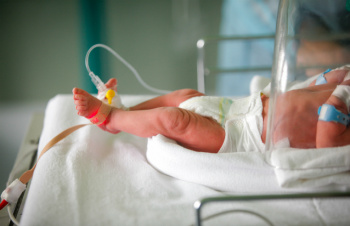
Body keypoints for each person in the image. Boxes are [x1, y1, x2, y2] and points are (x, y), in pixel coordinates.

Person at [73, 67, 350, 153]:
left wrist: (341, 96)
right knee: (184, 96)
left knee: (175, 120)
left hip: (241, 137)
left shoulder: (344, 127)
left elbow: (327, 143)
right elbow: (317, 83)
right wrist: (335, 77)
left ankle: (112, 119)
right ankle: (126, 110)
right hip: (243, 106)